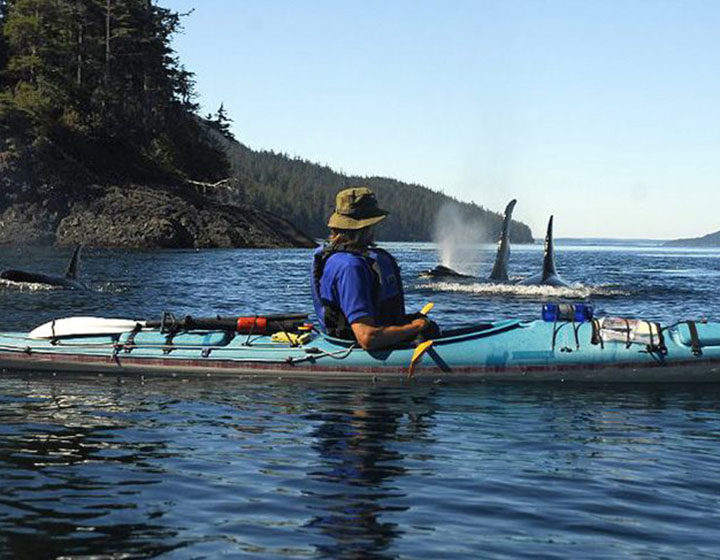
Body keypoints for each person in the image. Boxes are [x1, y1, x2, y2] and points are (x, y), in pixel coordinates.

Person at [311, 187, 439, 350]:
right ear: (367, 226)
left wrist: (408, 322)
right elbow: (367, 337)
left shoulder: (343, 260)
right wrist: (418, 326)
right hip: (356, 349)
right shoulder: (351, 268)